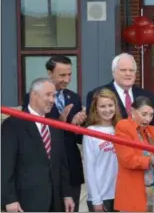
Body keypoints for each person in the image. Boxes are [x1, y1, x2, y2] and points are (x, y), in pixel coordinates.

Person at [22, 55, 86, 211]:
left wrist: (78, 125)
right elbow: (30, 131)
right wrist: (61, 123)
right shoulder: (33, 97)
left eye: (69, 74)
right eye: (62, 75)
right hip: (45, 167)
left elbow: (77, 138)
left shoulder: (74, 98)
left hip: (70, 166)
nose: (67, 79)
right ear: (50, 74)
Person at [1, 78, 74, 212]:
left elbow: (62, 164)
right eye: (48, 94)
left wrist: (67, 194)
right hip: (25, 202)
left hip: (55, 201)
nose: (52, 100)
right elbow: (5, 165)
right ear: (34, 94)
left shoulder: (55, 125)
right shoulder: (13, 124)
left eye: (54, 95)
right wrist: (9, 199)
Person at [113, 96, 154, 212]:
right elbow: (128, 160)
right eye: (144, 114)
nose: (148, 119)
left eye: (151, 115)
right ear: (132, 111)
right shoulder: (123, 126)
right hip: (133, 193)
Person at [83, 88, 122, 212]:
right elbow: (89, 168)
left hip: (121, 194)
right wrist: (96, 199)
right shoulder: (90, 132)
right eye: (102, 106)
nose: (107, 110)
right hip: (101, 196)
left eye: (110, 105)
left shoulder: (121, 129)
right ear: (96, 109)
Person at [86, 53, 154, 119]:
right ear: (113, 72)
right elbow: (91, 121)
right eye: (123, 70)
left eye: (131, 70)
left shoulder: (147, 96)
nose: (128, 74)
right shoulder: (97, 94)